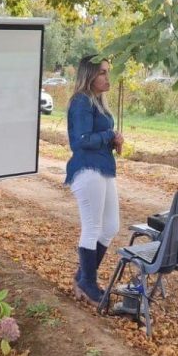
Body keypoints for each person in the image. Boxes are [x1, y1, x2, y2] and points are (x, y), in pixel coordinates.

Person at [65, 55, 124, 305]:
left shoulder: (98, 102)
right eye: (102, 72)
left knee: (111, 226)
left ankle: (82, 276)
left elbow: (97, 135)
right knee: (92, 228)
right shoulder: (81, 102)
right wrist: (108, 135)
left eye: (107, 72)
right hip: (87, 168)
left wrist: (113, 140)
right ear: (89, 75)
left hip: (103, 166)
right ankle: (88, 282)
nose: (106, 77)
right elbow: (79, 140)